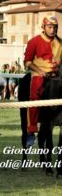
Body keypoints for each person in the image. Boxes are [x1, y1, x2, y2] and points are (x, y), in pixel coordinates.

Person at [24, 15, 62, 147]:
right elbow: (28, 62)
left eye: (55, 27)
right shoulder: (34, 41)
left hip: (57, 75)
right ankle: (31, 130)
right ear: (44, 27)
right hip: (39, 75)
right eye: (50, 27)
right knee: (35, 98)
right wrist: (41, 72)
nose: (53, 30)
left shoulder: (60, 42)